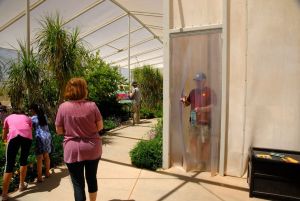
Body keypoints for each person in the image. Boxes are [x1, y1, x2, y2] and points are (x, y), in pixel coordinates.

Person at [55, 78, 103, 201]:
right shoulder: (92, 105)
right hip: (92, 147)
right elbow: (100, 126)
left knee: (78, 184)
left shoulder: (63, 107)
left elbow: (59, 130)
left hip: (72, 149)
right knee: (91, 178)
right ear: (83, 90)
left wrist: (72, 131)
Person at [180, 72, 216, 170]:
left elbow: (214, 106)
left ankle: (203, 163)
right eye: (196, 81)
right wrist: (183, 100)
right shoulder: (192, 92)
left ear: (204, 81)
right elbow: (187, 103)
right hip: (193, 119)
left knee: (205, 142)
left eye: (199, 81)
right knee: (192, 140)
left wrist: (202, 109)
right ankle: (195, 160)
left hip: (205, 121)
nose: (197, 83)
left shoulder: (209, 92)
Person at [1, 109, 32, 201]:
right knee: (23, 161)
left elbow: (5, 131)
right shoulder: (27, 118)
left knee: (9, 164)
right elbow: (30, 129)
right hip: (27, 137)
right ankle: (21, 185)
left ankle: (4, 195)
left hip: (14, 136)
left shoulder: (8, 117)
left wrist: (4, 139)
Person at [30, 104, 52, 182]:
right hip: (47, 136)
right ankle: (47, 173)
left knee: (39, 158)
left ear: (33, 110)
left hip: (39, 138)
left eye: (30, 109)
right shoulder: (44, 116)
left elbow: (30, 128)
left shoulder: (32, 118)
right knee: (46, 156)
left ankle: (39, 177)